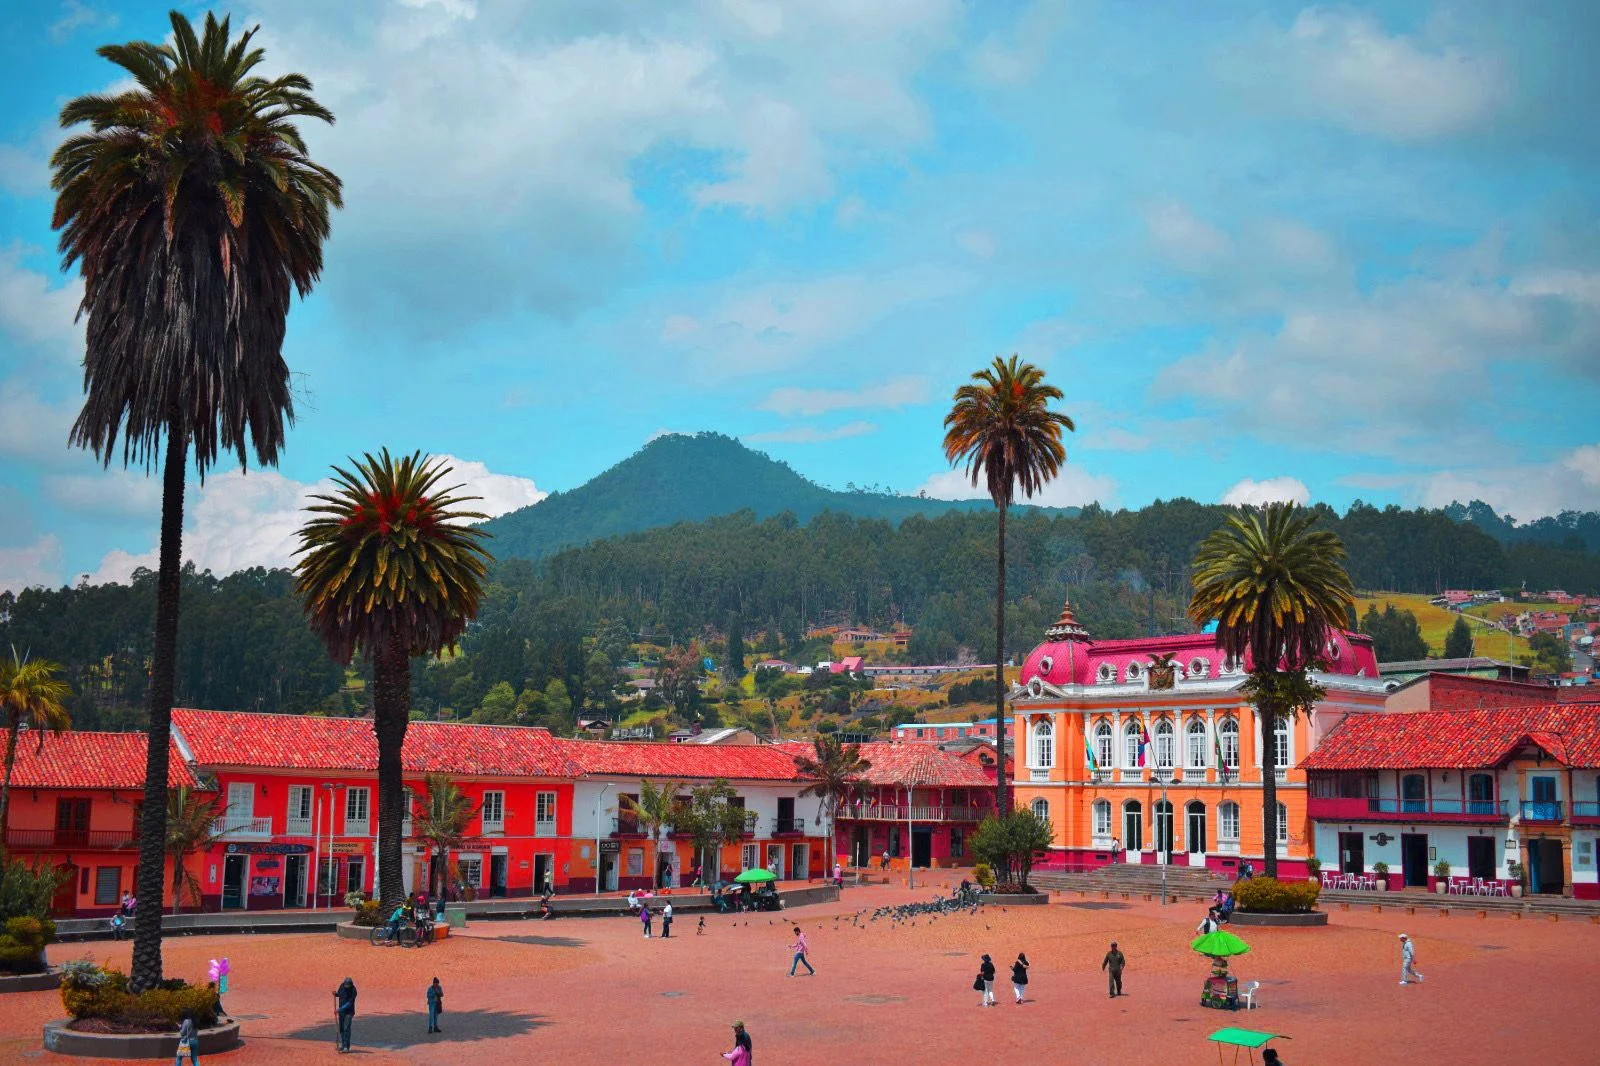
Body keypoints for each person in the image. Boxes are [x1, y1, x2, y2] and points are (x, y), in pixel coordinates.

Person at [333, 977, 357, 1053]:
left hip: (349, 1012)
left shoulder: (353, 990)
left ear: (351, 984)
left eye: (348, 986)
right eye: (346, 985)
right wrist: (336, 994)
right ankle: (343, 1045)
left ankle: (346, 1047)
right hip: (341, 1013)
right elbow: (340, 994)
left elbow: (349, 1003)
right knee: (341, 1029)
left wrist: (339, 1009)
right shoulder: (342, 986)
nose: (346, 987)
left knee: (346, 1028)